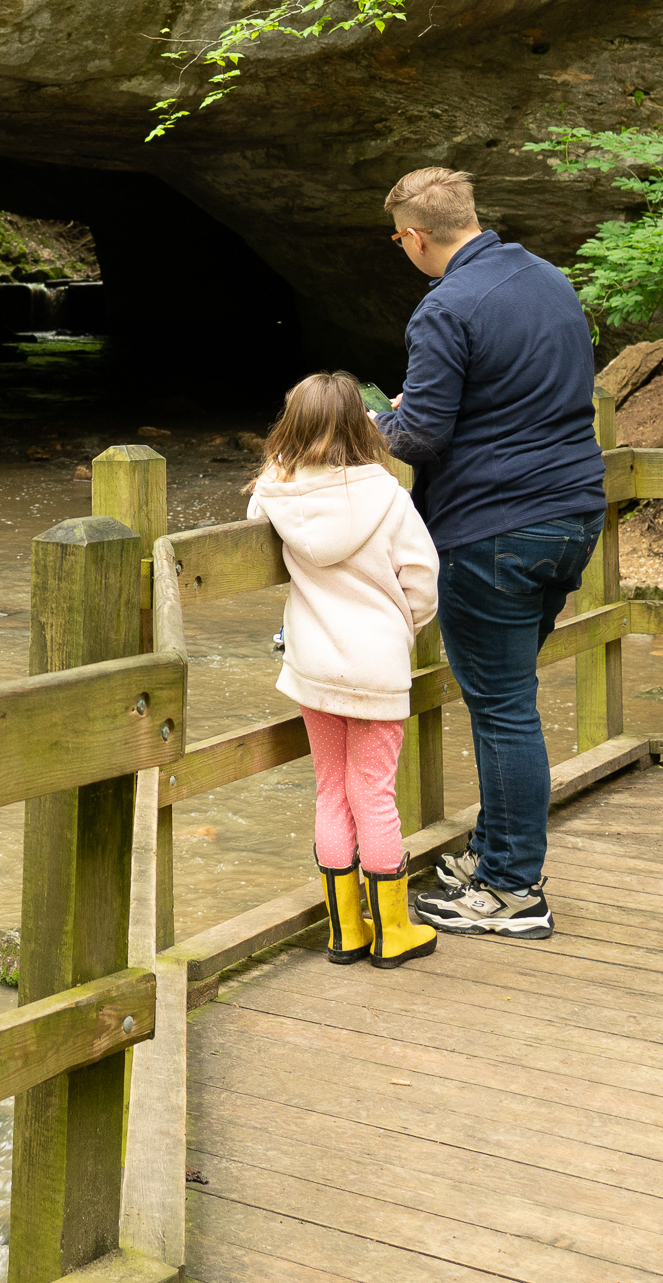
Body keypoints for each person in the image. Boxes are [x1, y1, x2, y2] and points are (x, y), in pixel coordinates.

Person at [370, 166, 607, 941]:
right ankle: (495, 853)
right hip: (573, 515)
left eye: (397, 239)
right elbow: (530, 391)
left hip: (493, 529)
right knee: (508, 699)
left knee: (503, 708)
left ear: (414, 237)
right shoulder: (549, 279)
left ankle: (511, 888)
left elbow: (423, 435)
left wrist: (378, 420)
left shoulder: (446, 306)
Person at [246, 370, 442, 969]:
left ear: (292, 426)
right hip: (377, 665)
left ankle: (345, 931)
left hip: (313, 665)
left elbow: (258, 501)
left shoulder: (278, 496)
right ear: (363, 427)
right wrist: (397, 632)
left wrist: (280, 465)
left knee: (332, 790)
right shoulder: (388, 496)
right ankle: (392, 931)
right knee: (374, 793)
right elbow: (424, 585)